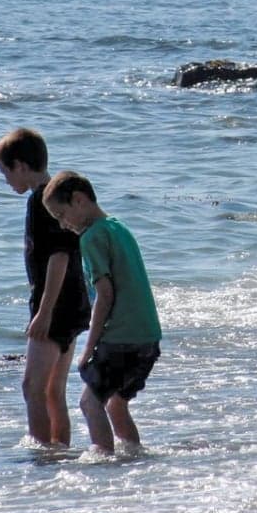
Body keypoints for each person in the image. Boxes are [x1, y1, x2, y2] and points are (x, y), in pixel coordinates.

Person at [42, 171, 162, 455]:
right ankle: (135, 457)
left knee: (89, 402)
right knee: (116, 403)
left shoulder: (91, 237)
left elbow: (105, 295)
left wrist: (89, 347)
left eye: (61, 215)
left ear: (79, 200)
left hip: (120, 339)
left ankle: (105, 465)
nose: (62, 224)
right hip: (148, 338)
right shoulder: (118, 227)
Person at [0, 128, 91, 446]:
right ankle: (59, 451)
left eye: (6, 172)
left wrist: (44, 312)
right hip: (74, 302)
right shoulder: (55, 196)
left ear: (20, 166)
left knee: (32, 387)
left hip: (56, 305)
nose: (6, 180)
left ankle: (42, 453)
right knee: (53, 389)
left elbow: (59, 256)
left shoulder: (42, 202)